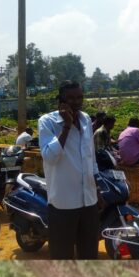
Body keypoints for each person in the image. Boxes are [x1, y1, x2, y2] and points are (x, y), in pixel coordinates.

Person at [38, 80, 100, 260]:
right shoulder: (47, 122)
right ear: (61, 100)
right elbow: (50, 157)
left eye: (79, 97)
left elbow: (91, 157)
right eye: (70, 98)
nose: (76, 101)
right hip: (63, 203)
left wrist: (97, 189)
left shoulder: (86, 119)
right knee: (62, 255)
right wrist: (66, 126)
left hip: (89, 201)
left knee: (89, 253)